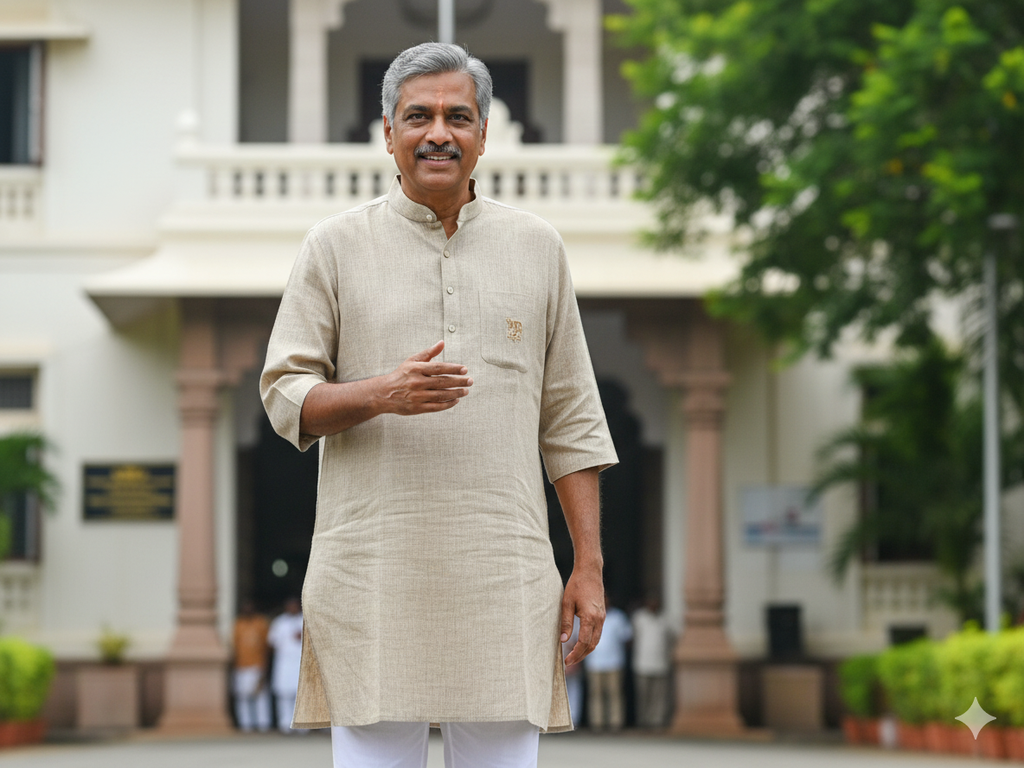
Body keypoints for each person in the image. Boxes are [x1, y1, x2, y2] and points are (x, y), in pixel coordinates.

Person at [261, 41, 617, 768]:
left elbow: (572, 421)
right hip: (372, 573)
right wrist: (378, 394)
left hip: (505, 574)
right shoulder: (333, 247)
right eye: (417, 116)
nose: (438, 133)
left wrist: (589, 567)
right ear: (387, 134)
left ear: (485, 134)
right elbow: (284, 393)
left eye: (458, 116)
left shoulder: (537, 248)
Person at [583, 597, 632, 733]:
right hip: (594, 663)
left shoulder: (618, 617)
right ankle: (597, 723)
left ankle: (615, 723)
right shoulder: (589, 615)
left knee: (615, 694)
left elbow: (627, 638)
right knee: (595, 694)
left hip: (614, 662)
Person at [630, 596, 673, 729]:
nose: (653, 605)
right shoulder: (639, 618)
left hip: (661, 664)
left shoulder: (665, 620)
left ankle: (656, 721)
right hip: (642, 664)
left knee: (658, 696)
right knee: (643, 696)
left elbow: (672, 640)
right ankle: (643, 721)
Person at [267, 596, 306, 734]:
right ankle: (285, 724)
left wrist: (303, 637)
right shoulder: (279, 622)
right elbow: (271, 643)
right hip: (284, 663)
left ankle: (302, 726)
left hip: (301, 664)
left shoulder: (305, 620)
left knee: (300, 696)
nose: (292, 608)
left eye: (295, 605)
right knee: (284, 695)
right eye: (290, 605)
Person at [232, 600, 272, 732]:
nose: (247, 610)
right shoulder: (238, 624)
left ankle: (263, 724)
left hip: (258, 665)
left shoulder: (261, 623)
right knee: (243, 697)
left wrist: (265, 667)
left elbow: (268, 647)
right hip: (241, 666)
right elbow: (234, 647)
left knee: (260, 696)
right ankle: (246, 724)